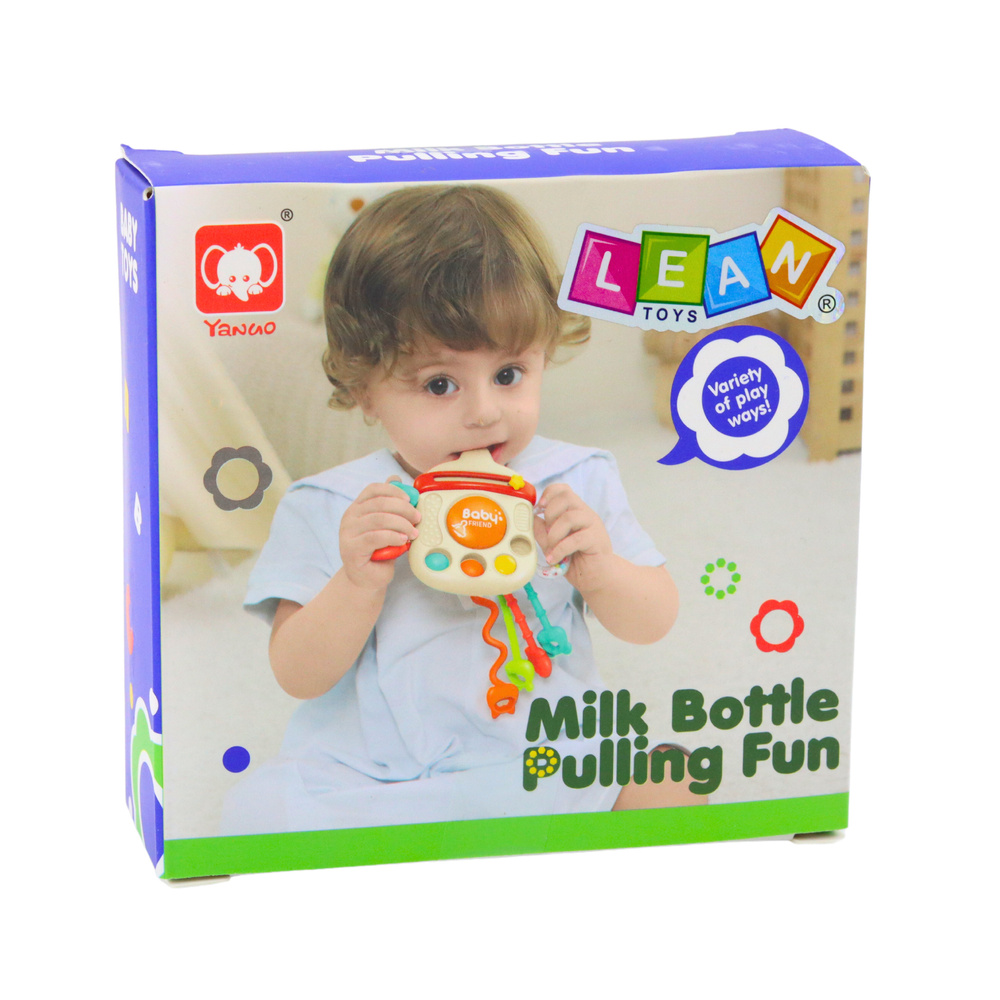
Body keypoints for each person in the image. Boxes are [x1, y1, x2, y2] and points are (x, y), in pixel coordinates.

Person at [223, 185, 693, 836]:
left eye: (509, 374)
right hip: (380, 776)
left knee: (675, 778)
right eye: (440, 384)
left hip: (540, 760)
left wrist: (602, 569)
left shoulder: (575, 480)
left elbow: (654, 619)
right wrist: (357, 583)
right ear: (365, 390)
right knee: (257, 811)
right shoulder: (332, 505)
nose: (484, 412)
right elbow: (297, 674)